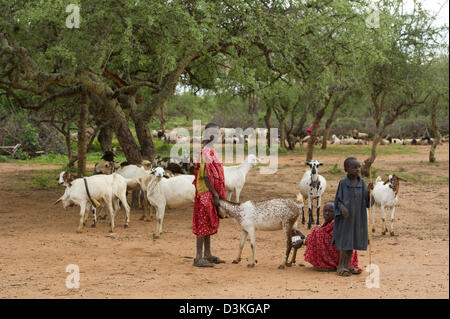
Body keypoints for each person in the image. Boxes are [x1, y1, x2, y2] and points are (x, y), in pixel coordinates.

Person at [192, 123, 227, 267]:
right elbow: (206, 176)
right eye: (217, 133)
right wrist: (214, 194)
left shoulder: (211, 151)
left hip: (210, 192)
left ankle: (208, 254)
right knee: (202, 223)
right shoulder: (205, 152)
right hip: (205, 193)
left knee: (207, 222)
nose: (218, 136)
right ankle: (198, 257)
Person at [332, 157, 373, 276]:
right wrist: (342, 208)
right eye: (354, 167)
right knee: (345, 242)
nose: (358, 169)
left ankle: (348, 265)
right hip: (346, 219)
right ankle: (341, 266)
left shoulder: (362, 183)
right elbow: (337, 201)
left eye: (358, 167)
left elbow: (368, 203)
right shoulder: (343, 183)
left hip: (358, 218)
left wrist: (370, 192)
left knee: (352, 243)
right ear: (346, 169)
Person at [304, 202, 361, 272]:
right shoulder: (331, 223)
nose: (327, 213)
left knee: (317, 233)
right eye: (325, 211)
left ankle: (328, 264)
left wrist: (306, 240)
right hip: (346, 257)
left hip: (341, 255)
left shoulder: (336, 224)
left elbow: (326, 235)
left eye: (331, 211)